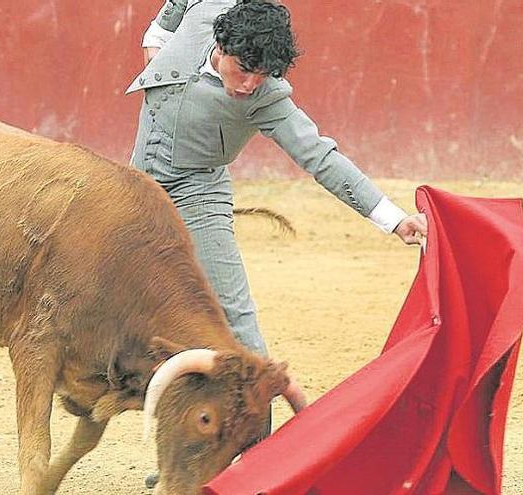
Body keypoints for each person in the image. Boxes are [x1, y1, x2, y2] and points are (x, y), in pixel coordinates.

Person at [127, 3, 426, 486]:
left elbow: (320, 157)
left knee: (234, 318)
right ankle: (183, 452)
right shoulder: (212, 9)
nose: (249, 85)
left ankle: (262, 454)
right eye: (244, 70)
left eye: (262, 76)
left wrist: (391, 218)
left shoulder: (268, 98)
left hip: (196, 194)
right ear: (219, 47)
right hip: (136, 183)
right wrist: (158, 32)